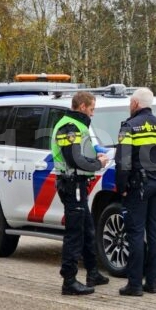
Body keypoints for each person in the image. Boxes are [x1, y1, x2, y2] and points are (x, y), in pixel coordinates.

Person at [114, 87, 156, 296]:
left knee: (135, 234)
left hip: (138, 186)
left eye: (130, 103)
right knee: (154, 234)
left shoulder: (129, 127)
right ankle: (152, 283)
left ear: (135, 104)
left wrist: (121, 188)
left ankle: (134, 285)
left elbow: (122, 161)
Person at [52, 91, 110, 296]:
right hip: (72, 184)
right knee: (75, 233)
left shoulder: (78, 126)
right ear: (83, 106)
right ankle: (69, 281)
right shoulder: (69, 126)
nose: (93, 114)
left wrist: (96, 156)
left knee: (87, 229)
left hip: (78, 184)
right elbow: (73, 159)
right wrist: (98, 163)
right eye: (92, 109)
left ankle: (93, 273)